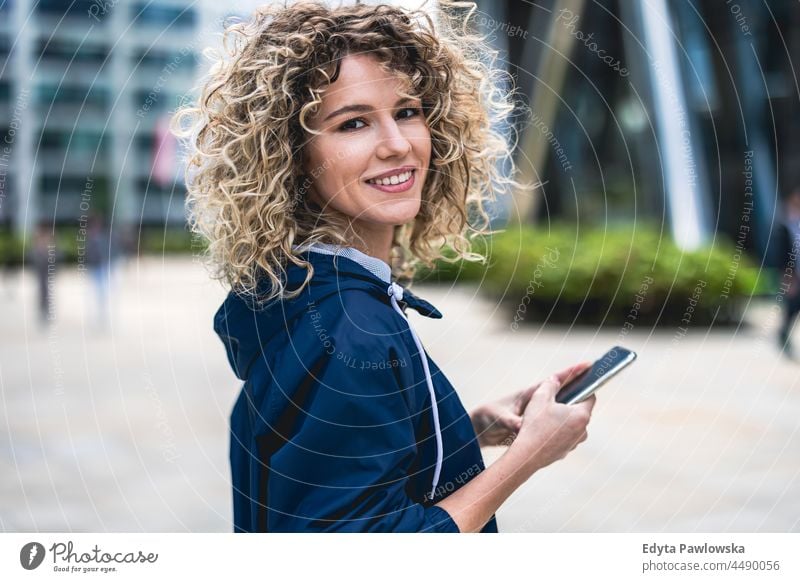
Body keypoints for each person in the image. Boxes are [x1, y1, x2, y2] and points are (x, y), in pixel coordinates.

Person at [175, 0, 595, 533]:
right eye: (353, 123)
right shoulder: (350, 331)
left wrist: (464, 430)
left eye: (407, 111)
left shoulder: (295, 293)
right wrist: (528, 456)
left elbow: (328, 460)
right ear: (292, 154)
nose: (397, 145)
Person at [777, 188, 800, 357]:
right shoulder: (783, 227)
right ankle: (782, 335)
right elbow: (780, 255)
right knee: (792, 309)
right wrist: (787, 275)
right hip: (793, 275)